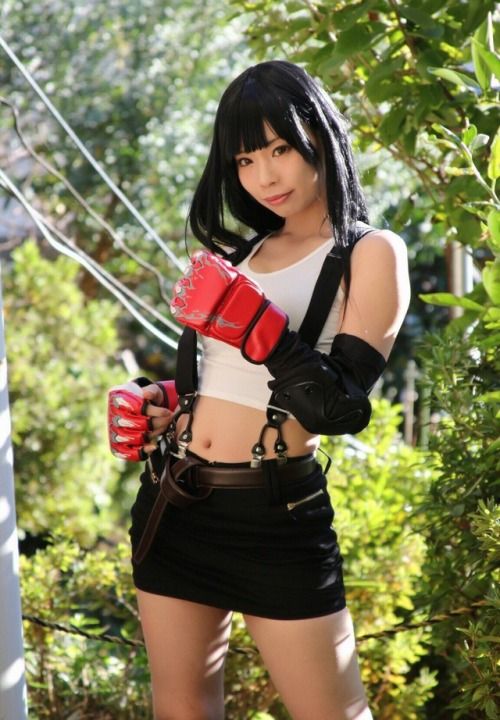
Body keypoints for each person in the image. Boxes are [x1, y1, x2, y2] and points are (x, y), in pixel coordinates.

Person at [108, 60, 410, 720]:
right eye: (245, 160)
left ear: (320, 137)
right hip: (176, 499)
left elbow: (339, 407)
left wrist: (263, 333)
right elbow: (222, 383)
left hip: (275, 515)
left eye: (279, 149)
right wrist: (159, 401)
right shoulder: (239, 255)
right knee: (181, 711)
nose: (265, 176)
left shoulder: (369, 252)